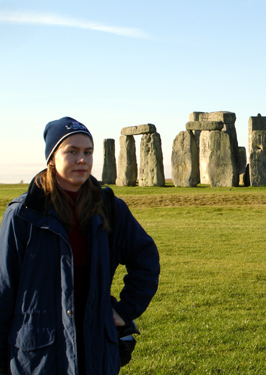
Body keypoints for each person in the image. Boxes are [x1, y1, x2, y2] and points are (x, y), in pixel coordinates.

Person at [0, 117, 160, 375]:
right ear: (52, 158)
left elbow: (146, 258)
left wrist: (125, 310)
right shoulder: (23, 214)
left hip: (95, 340)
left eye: (88, 152)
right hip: (38, 350)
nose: (82, 159)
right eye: (71, 152)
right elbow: (4, 287)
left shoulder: (109, 208)